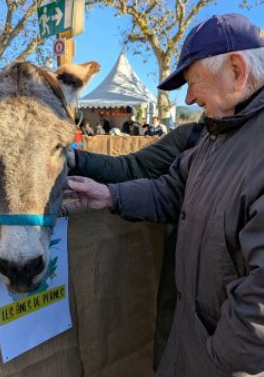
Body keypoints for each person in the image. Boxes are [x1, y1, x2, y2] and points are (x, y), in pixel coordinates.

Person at [66, 13, 264, 375]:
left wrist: (216, 357)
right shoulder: (223, 129)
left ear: (237, 70)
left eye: (194, 82)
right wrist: (110, 196)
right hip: (193, 348)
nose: (190, 98)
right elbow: (171, 190)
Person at [67, 119, 205, 370]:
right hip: (179, 303)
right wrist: (77, 162)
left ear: (239, 77)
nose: (189, 99)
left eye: (194, 81)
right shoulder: (194, 136)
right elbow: (143, 174)